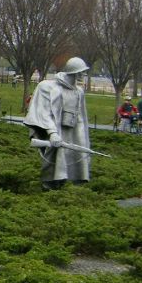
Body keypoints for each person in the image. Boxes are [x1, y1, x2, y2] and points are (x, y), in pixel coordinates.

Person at [23, 56, 91, 190]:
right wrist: (52, 133)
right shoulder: (48, 87)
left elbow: (81, 118)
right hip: (55, 130)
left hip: (72, 131)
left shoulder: (79, 91)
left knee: (76, 158)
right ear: (74, 72)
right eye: (81, 71)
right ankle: (49, 188)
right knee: (54, 160)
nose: (83, 74)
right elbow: (44, 112)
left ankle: (70, 187)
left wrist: (83, 141)